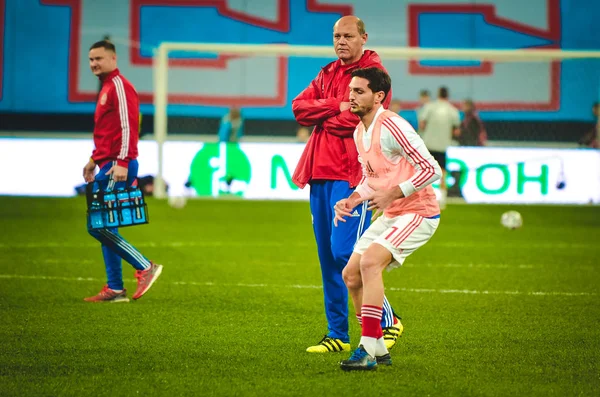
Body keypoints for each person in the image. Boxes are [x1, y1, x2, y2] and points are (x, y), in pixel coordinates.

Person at [292, 16, 402, 354]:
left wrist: (327, 111)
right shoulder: (327, 72)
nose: (341, 41)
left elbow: (351, 120)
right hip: (320, 172)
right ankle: (337, 334)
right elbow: (298, 108)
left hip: (352, 176)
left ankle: (388, 321)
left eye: (348, 35)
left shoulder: (372, 72)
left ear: (363, 37)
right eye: (336, 36)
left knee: (345, 252)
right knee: (328, 257)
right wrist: (334, 105)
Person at [334, 67, 441, 370]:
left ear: (378, 96)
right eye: (350, 90)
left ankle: (366, 348)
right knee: (351, 275)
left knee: (370, 263)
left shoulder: (393, 126)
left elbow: (433, 169)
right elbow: (373, 179)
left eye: (359, 91)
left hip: (419, 213)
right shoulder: (359, 132)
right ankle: (379, 349)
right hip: (394, 212)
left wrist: (395, 193)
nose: (351, 96)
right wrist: (353, 199)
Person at [83, 40, 163, 302]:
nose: (94, 63)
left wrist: (123, 161)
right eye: (91, 59)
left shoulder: (119, 85)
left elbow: (129, 126)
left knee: (98, 226)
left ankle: (144, 266)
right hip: (108, 162)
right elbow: (109, 131)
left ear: (113, 59)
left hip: (119, 164)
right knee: (108, 226)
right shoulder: (108, 87)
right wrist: (94, 159)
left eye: (99, 58)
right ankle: (115, 288)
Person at [418, 86, 460, 209]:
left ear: (438, 94)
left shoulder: (429, 107)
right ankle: (443, 200)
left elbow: (422, 124)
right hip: (442, 145)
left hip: (428, 144)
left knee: (424, 171)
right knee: (443, 172)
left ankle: (423, 199)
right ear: (448, 95)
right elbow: (456, 131)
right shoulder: (453, 110)